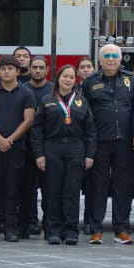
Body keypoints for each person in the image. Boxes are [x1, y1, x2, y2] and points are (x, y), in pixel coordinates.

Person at [31, 65, 95, 245]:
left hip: (75, 148)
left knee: (72, 192)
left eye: (71, 77)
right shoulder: (46, 100)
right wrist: (39, 154)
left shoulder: (82, 101)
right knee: (52, 191)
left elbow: (90, 131)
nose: (68, 80)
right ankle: (52, 230)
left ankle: (70, 231)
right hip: (53, 148)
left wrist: (89, 154)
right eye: (64, 76)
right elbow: (37, 130)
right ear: (58, 78)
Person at [83, 44, 134, 244]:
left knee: (123, 185)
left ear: (120, 59)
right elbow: (84, 113)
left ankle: (121, 229)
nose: (111, 59)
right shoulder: (90, 82)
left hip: (124, 140)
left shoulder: (130, 80)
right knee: (98, 186)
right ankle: (96, 229)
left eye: (115, 56)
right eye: (107, 56)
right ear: (100, 60)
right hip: (100, 142)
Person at [0, 56, 36, 242]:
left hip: (16, 147)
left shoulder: (26, 93)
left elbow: (28, 120)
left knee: (13, 188)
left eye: (10, 69)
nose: (6, 72)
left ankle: (10, 229)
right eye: (3, 69)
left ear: (18, 72)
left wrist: (9, 140)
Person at [21, 55, 52, 239]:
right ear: (30, 69)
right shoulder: (23, 90)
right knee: (27, 189)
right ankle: (28, 223)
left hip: (48, 147)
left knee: (49, 189)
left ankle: (48, 224)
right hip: (26, 145)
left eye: (41, 67)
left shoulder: (53, 90)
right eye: (35, 67)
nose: (38, 70)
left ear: (47, 70)